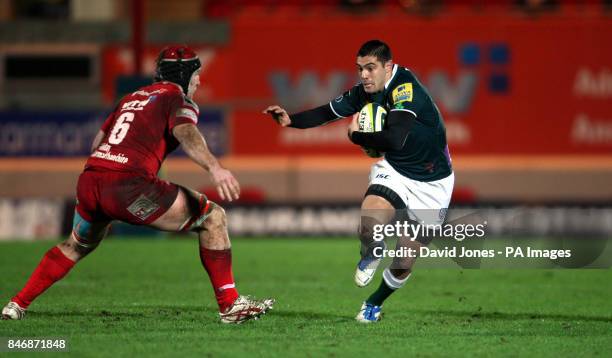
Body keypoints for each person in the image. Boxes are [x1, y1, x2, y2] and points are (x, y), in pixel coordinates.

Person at [2, 45, 274, 324]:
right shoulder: (178, 99)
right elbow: (185, 131)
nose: (199, 81)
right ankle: (230, 305)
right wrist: (214, 167)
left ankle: (16, 304)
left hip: (92, 180)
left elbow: (98, 142)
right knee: (212, 217)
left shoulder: (131, 97)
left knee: (75, 245)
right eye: (197, 74)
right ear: (184, 75)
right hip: (129, 187)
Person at [264, 40, 453, 323]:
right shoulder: (367, 91)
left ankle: (373, 303)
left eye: (370, 68)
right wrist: (291, 120)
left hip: (435, 184)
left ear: (388, 67)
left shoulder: (405, 89)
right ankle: (371, 252)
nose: (363, 75)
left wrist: (356, 137)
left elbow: (394, 138)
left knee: (403, 262)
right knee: (370, 222)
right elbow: (328, 112)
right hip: (397, 171)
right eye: (360, 69)